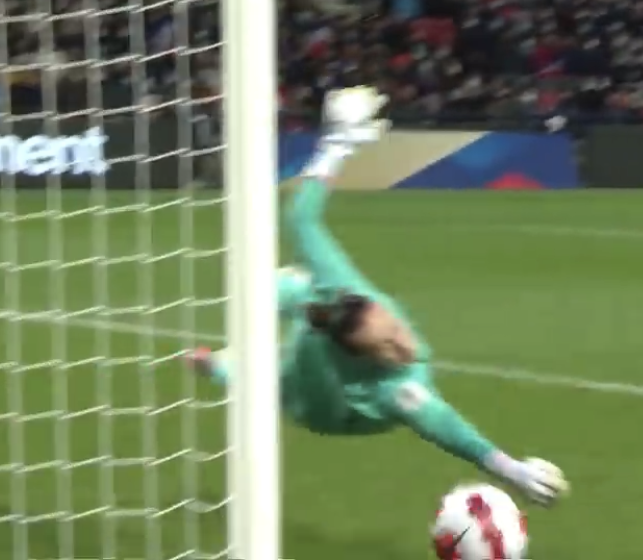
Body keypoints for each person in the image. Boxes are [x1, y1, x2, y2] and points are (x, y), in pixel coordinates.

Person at [188, 86, 570, 506]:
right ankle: (223, 361)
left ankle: (237, 343)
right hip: (316, 398)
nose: (401, 344)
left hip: (328, 366)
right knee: (275, 366)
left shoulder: (348, 292)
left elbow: (301, 218)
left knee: (290, 298)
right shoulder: (396, 389)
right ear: (367, 360)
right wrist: (512, 471)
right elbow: (444, 424)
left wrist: (336, 147)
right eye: (387, 348)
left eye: (393, 329)